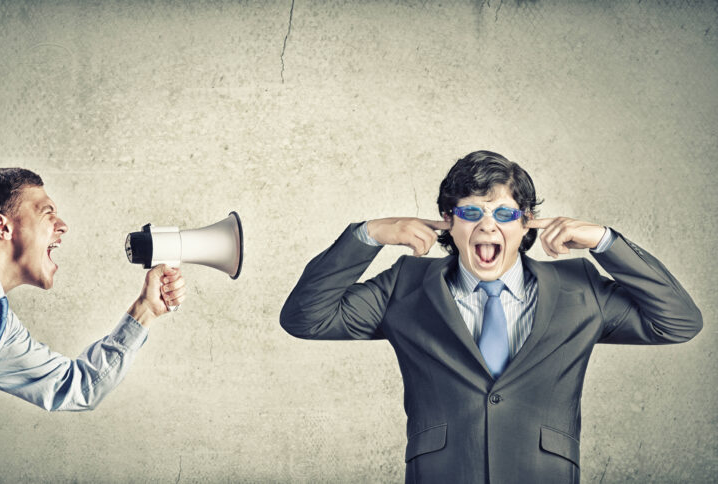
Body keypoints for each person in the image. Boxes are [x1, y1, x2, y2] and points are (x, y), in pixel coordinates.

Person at [280, 150, 702, 484]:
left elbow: (678, 321)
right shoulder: (404, 285)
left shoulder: (580, 287)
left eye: (503, 214)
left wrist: (606, 242)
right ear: (448, 223)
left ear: (526, 224)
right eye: (469, 213)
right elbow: (306, 318)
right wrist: (368, 234)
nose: (487, 226)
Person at [0, 168, 186, 482]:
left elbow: (78, 387)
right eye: (47, 213)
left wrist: (146, 310)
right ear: (2, 226)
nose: (63, 226)